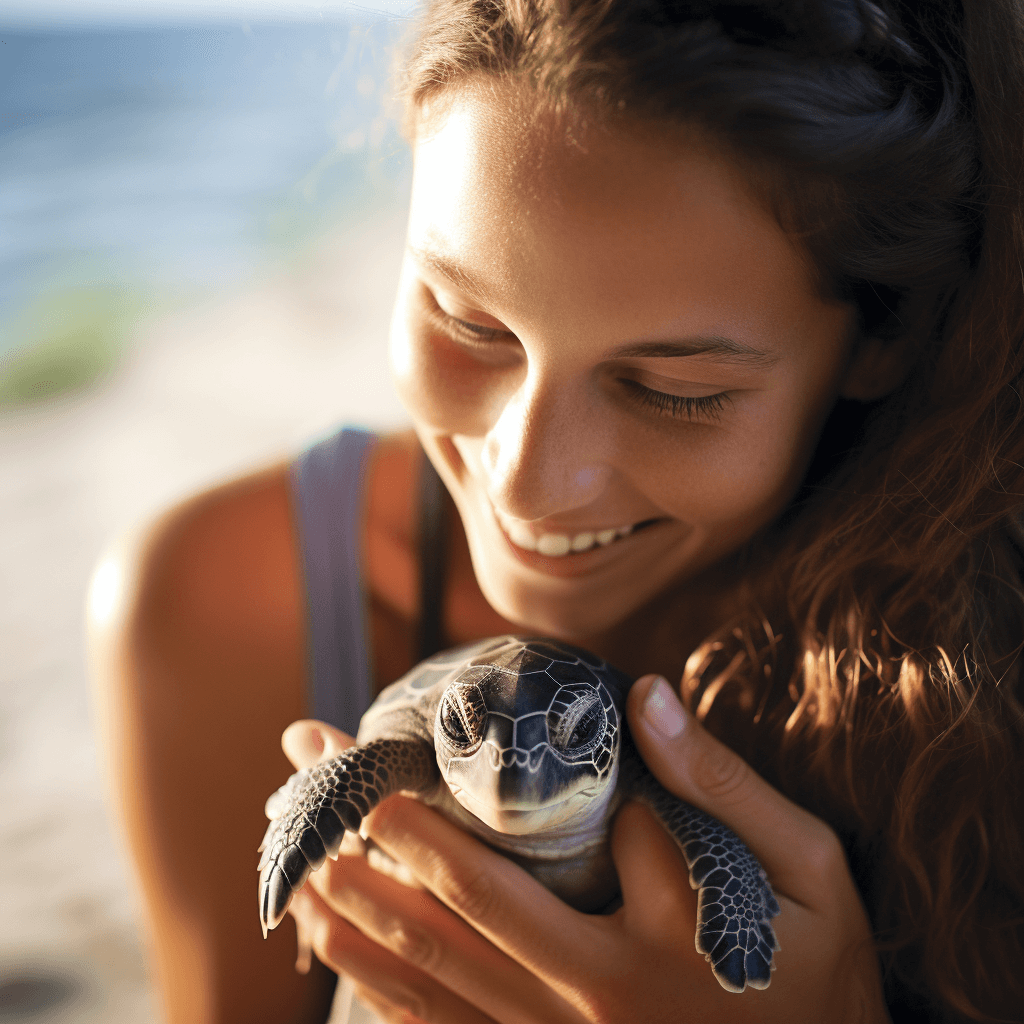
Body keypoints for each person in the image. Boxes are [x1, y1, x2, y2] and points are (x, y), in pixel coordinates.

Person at [87, 0, 1024, 1020]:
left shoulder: (989, 657)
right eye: (468, 319)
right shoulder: (230, 604)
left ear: (883, 333)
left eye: (675, 388)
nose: (528, 479)